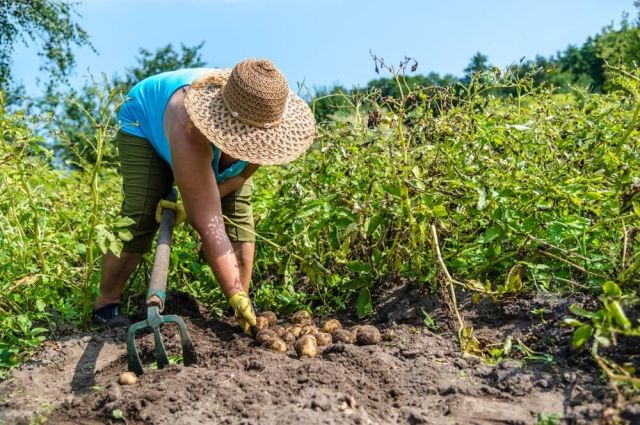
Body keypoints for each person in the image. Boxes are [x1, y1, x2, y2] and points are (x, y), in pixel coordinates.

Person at [92, 59, 316, 333]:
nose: (251, 144)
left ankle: (239, 309)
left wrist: (198, 199)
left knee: (238, 217)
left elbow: (239, 176)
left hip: (203, 134)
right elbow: (210, 227)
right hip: (146, 123)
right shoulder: (190, 125)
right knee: (141, 213)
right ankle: (106, 304)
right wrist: (198, 206)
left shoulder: (268, 127)